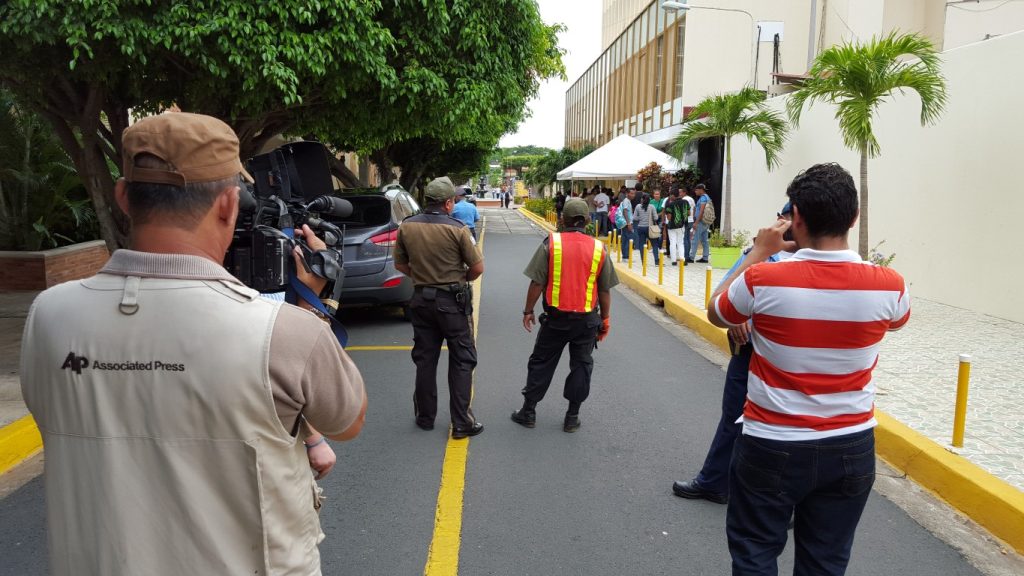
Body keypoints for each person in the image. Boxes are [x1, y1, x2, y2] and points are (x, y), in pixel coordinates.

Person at [20, 112, 367, 576]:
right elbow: (347, 420)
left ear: (123, 197)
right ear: (228, 204)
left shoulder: (48, 315)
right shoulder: (285, 331)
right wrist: (316, 306)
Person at [708, 163, 911, 576]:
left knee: (755, 553)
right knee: (826, 561)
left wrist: (759, 250)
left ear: (794, 218)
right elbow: (896, 321)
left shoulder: (763, 279)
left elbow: (717, 311)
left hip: (772, 442)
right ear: (853, 218)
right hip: (851, 445)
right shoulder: (891, 284)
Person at [672, 203, 793, 505]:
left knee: (784, 425)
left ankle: (781, 497)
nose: (784, 226)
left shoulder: (811, 263)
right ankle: (714, 481)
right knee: (733, 416)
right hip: (749, 350)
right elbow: (726, 296)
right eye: (782, 219)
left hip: (785, 358)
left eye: (790, 220)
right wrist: (737, 318)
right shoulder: (759, 253)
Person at [512, 198, 619, 432]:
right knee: (581, 366)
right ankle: (572, 417)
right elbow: (604, 290)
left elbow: (537, 281)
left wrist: (528, 311)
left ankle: (528, 412)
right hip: (587, 322)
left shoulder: (552, 243)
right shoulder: (599, 248)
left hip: (555, 320)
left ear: (563, 220)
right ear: (588, 221)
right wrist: (606, 319)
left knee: (541, 363)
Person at [394, 176, 485, 439]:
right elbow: (477, 268)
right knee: (462, 359)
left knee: (425, 360)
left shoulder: (407, 227)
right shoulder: (457, 229)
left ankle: (425, 417)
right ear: (448, 203)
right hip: (452, 302)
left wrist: (422, 277)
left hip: (421, 301)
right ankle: (461, 423)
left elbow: (400, 265)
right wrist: (459, 279)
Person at [664, 187, 689, 266]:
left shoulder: (670, 204)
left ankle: (673, 261)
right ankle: (682, 259)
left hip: (672, 226)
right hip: (682, 226)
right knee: (680, 243)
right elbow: (689, 213)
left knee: (672, 243)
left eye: (670, 195)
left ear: (672, 195)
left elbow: (669, 217)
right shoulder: (685, 202)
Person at [633, 193, 660, 266]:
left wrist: (641, 218)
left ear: (642, 199)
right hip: (650, 228)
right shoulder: (652, 207)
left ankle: (643, 262)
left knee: (642, 245)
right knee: (654, 244)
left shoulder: (638, 206)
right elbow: (656, 218)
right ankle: (657, 261)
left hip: (641, 228)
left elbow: (634, 218)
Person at [688, 183, 711, 263]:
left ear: (701, 190)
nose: (695, 191)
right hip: (705, 222)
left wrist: (696, 222)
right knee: (705, 240)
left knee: (695, 239)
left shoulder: (703, 198)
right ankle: (705, 257)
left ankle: (691, 257)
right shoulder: (706, 197)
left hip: (700, 222)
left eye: (696, 190)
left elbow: (701, 211)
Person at [614, 187, 636, 260]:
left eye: (634, 193)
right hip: (627, 223)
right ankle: (626, 256)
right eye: (631, 193)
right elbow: (625, 211)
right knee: (628, 239)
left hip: (626, 223)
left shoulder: (627, 201)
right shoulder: (626, 201)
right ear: (627, 194)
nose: (633, 195)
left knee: (626, 239)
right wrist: (629, 223)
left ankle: (625, 256)